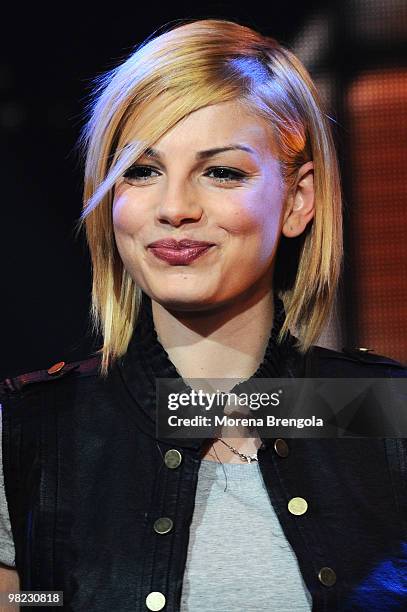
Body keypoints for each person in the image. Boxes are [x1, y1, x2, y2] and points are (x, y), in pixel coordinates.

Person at [1, 17, 406, 612]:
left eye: (222, 172)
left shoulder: (383, 413)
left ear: (298, 200)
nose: (175, 208)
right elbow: (30, 600)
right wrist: (54, 601)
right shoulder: (32, 429)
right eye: (142, 171)